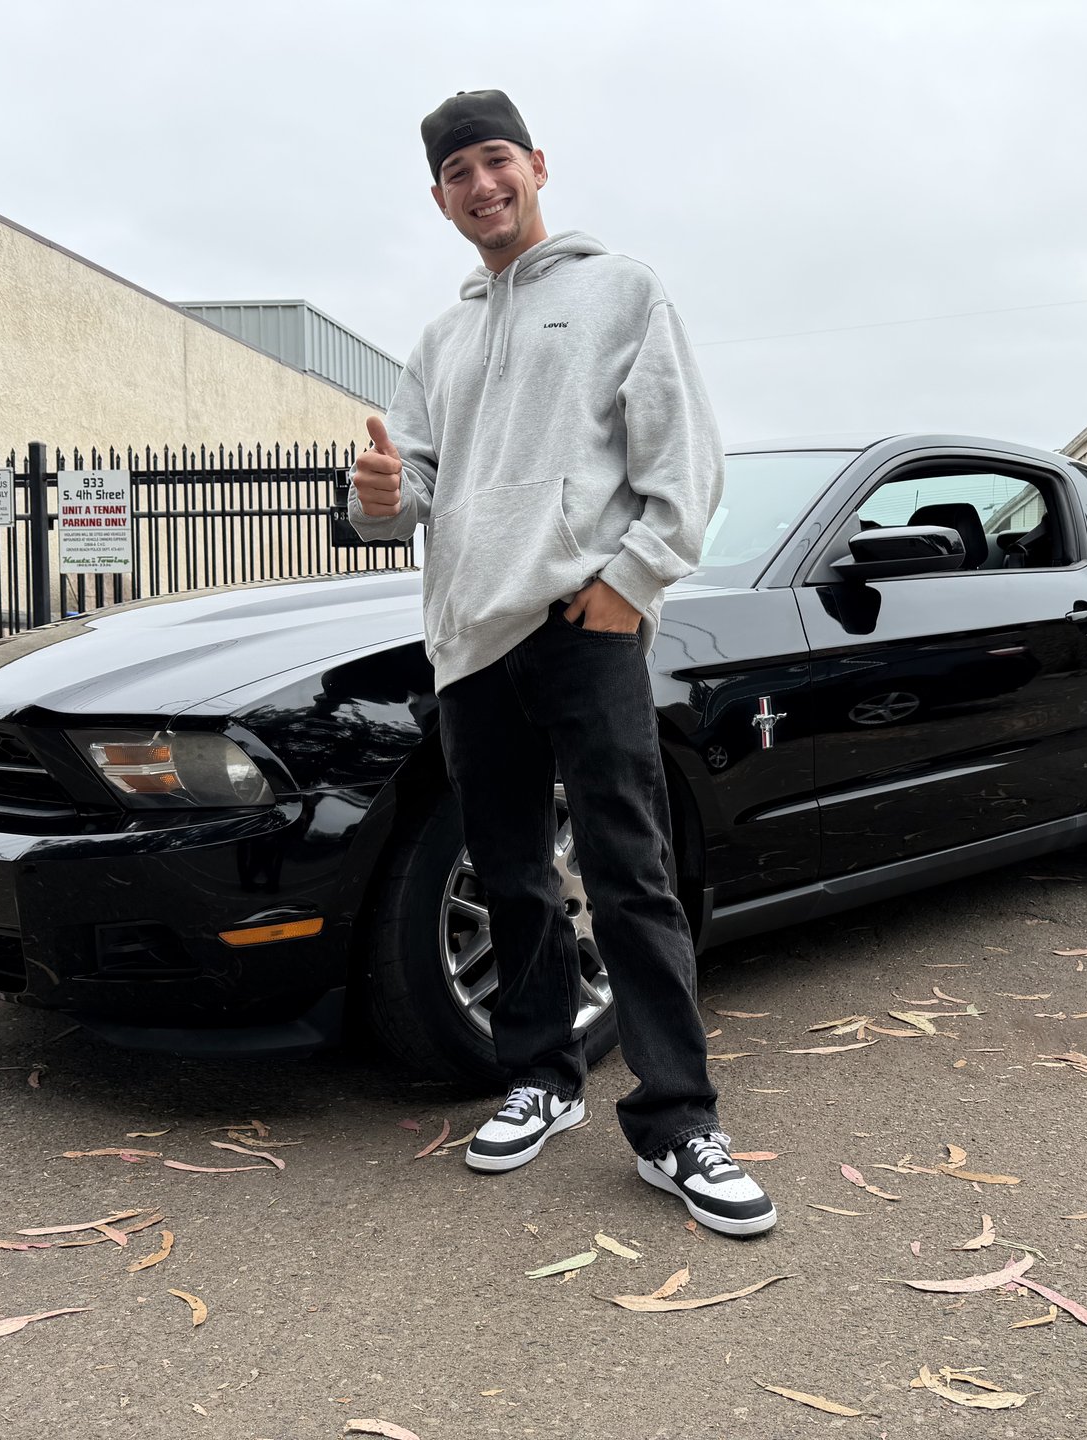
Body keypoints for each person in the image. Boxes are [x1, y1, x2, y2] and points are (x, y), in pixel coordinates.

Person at [348, 90, 775, 1238]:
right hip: (472, 645)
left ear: (537, 164)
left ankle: (679, 1120)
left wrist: (631, 582)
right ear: (438, 197)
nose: (482, 185)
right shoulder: (438, 342)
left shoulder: (620, 290)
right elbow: (414, 487)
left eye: (496, 160)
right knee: (510, 873)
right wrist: (382, 494)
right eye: (458, 173)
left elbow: (685, 456)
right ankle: (540, 1076)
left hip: (583, 629)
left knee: (629, 872)